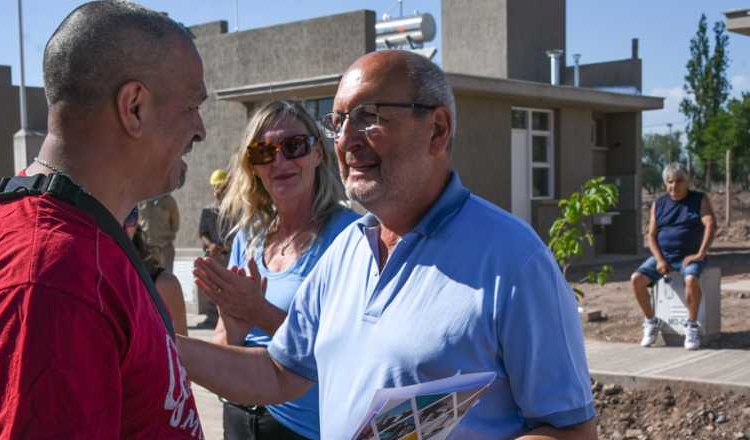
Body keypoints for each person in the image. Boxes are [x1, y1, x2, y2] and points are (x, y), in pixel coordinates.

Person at [178, 50, 597, 440]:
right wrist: (158, 346)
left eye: (369, 117)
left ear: (437, 130)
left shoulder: (514, 260)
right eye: (338, 122)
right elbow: (278, 373)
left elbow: (572, 431)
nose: (346, 140)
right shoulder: (348, 250)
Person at [0, 1, 207, 438]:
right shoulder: (48, 275)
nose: (201, 130)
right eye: (191, 106)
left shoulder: (76, 238)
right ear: (134, 107)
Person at [193, 100, 359, 440]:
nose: (280, 161)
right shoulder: (248, 236)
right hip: (239, 416)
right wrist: (234, 327)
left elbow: (345, 353)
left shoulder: (351, 236)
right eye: (264, 152)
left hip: (305, 427)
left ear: (318, 153)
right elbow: (224, 340)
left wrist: (258, 311)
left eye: (294, 146)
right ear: (252, 167)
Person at [630, 163, 716, 350]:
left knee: (691, 279)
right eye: (670, 182)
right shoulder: (659, 203)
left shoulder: (699, 199)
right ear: (665, 183)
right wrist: (660, 259)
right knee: (636, 279)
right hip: (664, 255)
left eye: (679, 181)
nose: (674, 186)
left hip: (689, 256)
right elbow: (651, 236)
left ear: (687, 182)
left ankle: (691, 326)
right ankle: (651, 321)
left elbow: (710, 224)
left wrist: (700, 253)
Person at [126, 207, 189, 335]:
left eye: (130, 216)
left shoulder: (163, 285)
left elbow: (179, 344)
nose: (119, 224)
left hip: (163, 249)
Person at [196, 168, 231, 327]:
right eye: (217, 187)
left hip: (228, 255)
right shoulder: (208, 211)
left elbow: (238, 233)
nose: (219, 191)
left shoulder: (235, 211)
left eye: (222, 187)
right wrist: (211, 245)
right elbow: (202, 232)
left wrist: (224, 247)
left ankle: (226, 318)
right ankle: (211, 317)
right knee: (210, 285)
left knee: (227, 287)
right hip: (213, 255)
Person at [138, 193, 181, 271]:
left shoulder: (168, 201)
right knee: (146, 276)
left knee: (166, 275)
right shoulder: (142, 200)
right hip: (146, 249)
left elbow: (175, 225)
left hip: (164, 249)